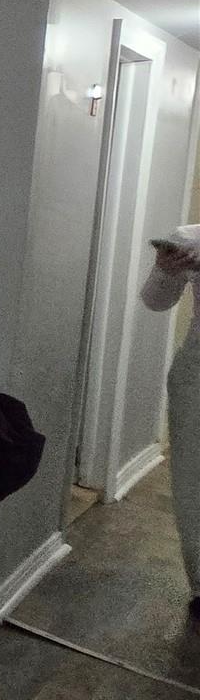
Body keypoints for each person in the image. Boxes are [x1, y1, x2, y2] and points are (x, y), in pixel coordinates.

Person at [139, 224, 200, 621]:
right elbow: (154, 301)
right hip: (196, 377)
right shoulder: (191, 237)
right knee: (193, 487)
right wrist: (166, 269)